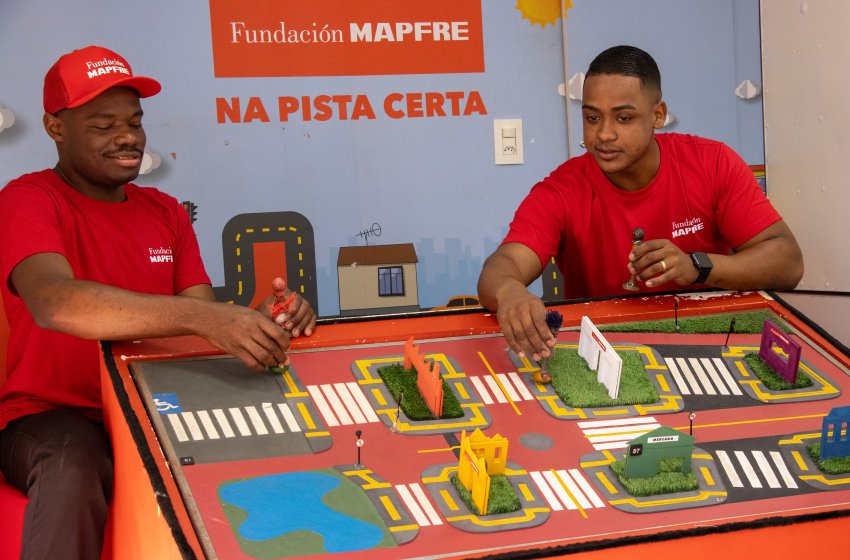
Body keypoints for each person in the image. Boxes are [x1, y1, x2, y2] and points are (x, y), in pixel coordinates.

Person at [0, 45, 316, 559]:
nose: (127, 137)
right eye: (103, 126)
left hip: (157, 409)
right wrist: (207, 317)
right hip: (53, 416)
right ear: (55, 127)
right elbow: (54, 303)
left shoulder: (167, 211)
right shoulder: (28, 198)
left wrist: (256, 325)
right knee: (72, 462)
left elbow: (197, 333)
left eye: (134, 122)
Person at [478, 45, 803, 362]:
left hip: (710, 341)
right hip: (607, 355)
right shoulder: (561, 190)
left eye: (623, 118)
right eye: (592, 117)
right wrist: (509, 293)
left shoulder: (713, 163)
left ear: (658, 115)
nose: (604, 134)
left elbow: (788, 264)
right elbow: (505, 264)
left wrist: (696, 266)